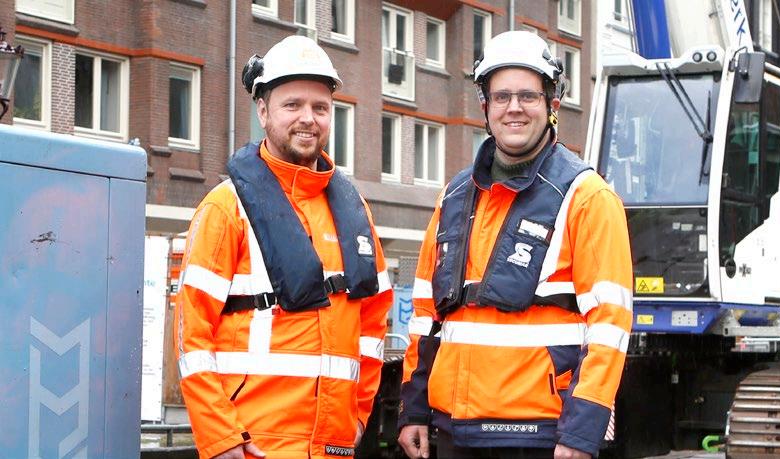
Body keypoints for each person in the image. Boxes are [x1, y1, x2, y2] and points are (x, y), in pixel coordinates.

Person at [397, 31, 633, 459]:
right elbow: (425, 315)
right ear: (485, 107)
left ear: (552, 105)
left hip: (541, 435)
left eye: (528, 96)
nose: (514, 108)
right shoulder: (454, 197)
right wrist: (412, 409)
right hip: (455, 431)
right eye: (502, 96)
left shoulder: (588, 197)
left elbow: (609, 325)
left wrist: (581, 433)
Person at [174, 35, 393, 459]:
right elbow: (191, 333)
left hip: (333, 447)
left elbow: (372, 323)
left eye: (320, 108)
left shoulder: (354, 212)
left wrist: (358, 416)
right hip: (253, 445)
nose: (307, 118)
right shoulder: (226, 207)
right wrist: (220, 437)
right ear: (263, 111)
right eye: (292, 105)